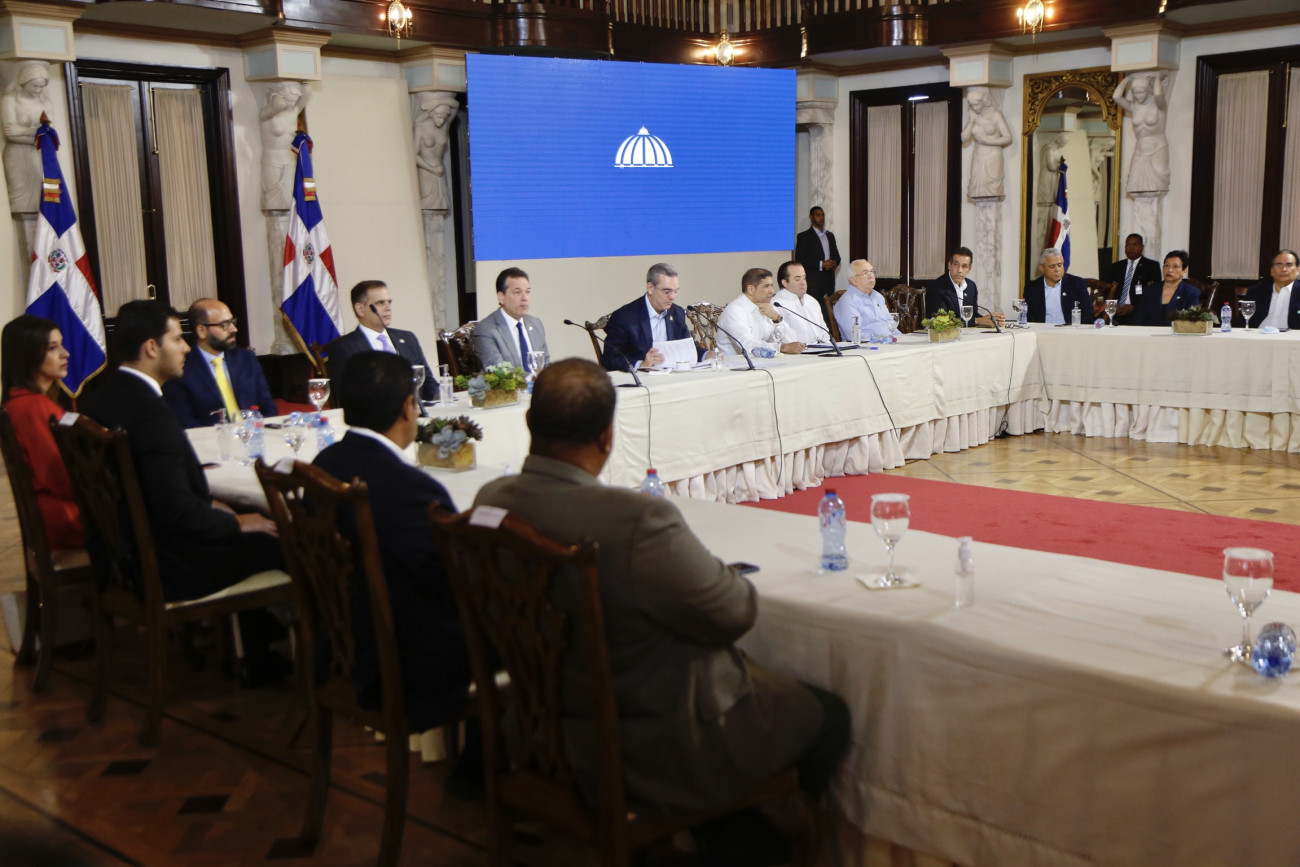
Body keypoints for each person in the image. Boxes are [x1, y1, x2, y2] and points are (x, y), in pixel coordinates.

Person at [474, 359, 849, 847]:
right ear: (607, 436)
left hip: (534, 727)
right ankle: (756, 850)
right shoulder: (634, 518)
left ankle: (730, 833)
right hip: (644, 745)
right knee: (828, 714)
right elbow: (735, 613)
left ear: (529, 421)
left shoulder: (489, 501)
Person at [80, 301, 286, 685]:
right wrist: (238, 521)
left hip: (120, 557)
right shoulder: (152, 414)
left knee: (254, 524)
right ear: (151, 348)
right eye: (177, 339)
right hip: (170, 564)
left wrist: (219, 507)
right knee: (289, 539)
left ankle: (258, 651)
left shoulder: (99, 401)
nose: (187, 348)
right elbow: (178, 513)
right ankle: (309, 661)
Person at [313, 351, 471, 732]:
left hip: (339, 643)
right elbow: (452, 581)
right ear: (407, 407)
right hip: (401, 659)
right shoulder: (411, 489)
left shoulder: (324, 464)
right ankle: (487, 757)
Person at [0, 315, 83, 549]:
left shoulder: (19, 402)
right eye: (53, 348)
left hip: (53, 512)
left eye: (62, 345)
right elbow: (58, 477)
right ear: (28, 355)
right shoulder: (35, 407)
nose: (65, 354)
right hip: (65, 517)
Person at [162, 299, 276, 428]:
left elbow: (268, 408)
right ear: (202, 331)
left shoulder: (246, 358)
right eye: (224, 325)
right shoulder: (180, 368)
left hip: (253, 434)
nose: (234, 329)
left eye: (232, 322)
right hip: (211, 438)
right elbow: (185, 423)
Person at [325, 280, 438, 403]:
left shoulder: (408, 338)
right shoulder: (344, 348)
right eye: (380, 303)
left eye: (389, 302)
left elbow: (429, 383)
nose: (388, 308)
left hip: (418, 411)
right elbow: (348, 397)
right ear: (360, 309)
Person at [601, 263, 703, 371]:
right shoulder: (624, 317)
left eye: (675, 291)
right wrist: (641, 364)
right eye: (667, 292)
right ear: (650, 288)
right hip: (641, 378)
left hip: (671, 375)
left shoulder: (677, 313)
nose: (672, 297)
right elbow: (609, 359)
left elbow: (686, 348)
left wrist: (707, 354)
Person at [471, 267, 550, 371]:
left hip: (539, 382)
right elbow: (498, 372)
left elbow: (546, 364)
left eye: (527, 292)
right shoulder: (486, 329)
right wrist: (531, 378)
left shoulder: (535, 324)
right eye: (517, 292)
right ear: (501, 297)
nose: (525, 298)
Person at [716, 268, 806, 357]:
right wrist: (781, 347)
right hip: (735, 364)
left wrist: (777, 319)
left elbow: (792, 342)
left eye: (771, 285)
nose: (772, 290)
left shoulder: (768, 307)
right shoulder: (735, 310)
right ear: (751, 289)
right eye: (766, 286)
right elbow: (746, 345)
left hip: (763, 361)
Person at [1112, 73, 1170, 194]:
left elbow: (1158, 94)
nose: (1138, 95)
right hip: (1139, 150)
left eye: (1141, 92)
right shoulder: (1134, 107)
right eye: (1135, 93)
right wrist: (1126, 79)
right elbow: (1116, 97)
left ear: (1149, 90)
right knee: (1134, 187)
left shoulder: (1159, 106)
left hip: (1157, 148)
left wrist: (1157, 78)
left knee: (1156, 188)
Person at [961, 87, 1012, 199]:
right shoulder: (974, 117)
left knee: (993, 191)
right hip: (978, 156)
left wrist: (987, 141)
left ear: (984, 101)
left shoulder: (996, 115)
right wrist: (971, 121)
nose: (974, 108)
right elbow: (964, 138)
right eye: (971, 105)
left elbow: (1008, 138)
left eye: (976, 105)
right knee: (976, 191)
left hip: (993, 156)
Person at [1021, 248, 1094, 325]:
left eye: (1060, 265)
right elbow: (1026, 316)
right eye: (1052, 266)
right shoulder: (1032, 287)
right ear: (1042, 268)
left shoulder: (1077, 284)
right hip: (1041, 330)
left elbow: (1089, 315)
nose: (1057, 270)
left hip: (1069, 330)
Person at [834, 259, 901, 340]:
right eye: (865, 273)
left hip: (889, 342)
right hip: (869, 345)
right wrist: (881, 338)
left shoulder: (878, 296)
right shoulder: (848, 301)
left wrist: (903, 338)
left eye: (872, 271)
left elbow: (891, 326)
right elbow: (853, 335)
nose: (871, 276)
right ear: (853, 280)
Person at [1104, 233, 1161, 326]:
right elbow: (1107, 290)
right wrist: (1112, 309)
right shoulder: (1116, 267)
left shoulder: (1151, 266)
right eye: (1128, 245)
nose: (1131, 248)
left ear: (1142, 247)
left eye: (1135, 244)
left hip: (1138, 312)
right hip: (1115, 312)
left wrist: (1134, 307)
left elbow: (1153, 293)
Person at [772, 261, 833, 344]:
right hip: (797, 351)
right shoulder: (776, 304)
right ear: (785, 283)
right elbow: (782, 340)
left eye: (804, 278)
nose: (803, 283)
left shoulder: (811, 300)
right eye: (797, 279)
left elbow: (824, 332)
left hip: (821, 349)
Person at [1238, 249, 1300, 330]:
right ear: (1272, 271)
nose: (1284, 269)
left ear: (1298, 270)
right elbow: (1242, 323)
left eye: (1289, 265)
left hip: (1291, 336)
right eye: (1279, 265)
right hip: (1260, 334)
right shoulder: (1256, 292)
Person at [1138, 250, 1200, 326]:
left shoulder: (1191, 293)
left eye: (1175, 266)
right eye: (1167, 265)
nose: (1170, 270)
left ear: (1184, 271)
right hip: (1148, 332)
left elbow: (1193, 323)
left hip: (1177, 332)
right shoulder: (1149, 291)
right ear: (1163, 268)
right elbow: (1138, 319)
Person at [794, 206, 841, 305]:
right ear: (811, 217)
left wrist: (833, 263)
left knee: (828, 310)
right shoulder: (804, 237)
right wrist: (821, 264)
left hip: (829, 282)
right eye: (818, 215)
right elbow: (800, 260)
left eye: (823, 215)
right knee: (813, 309)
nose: (821, 218)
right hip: (813, 283)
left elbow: (837, 257)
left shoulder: (830, 236)